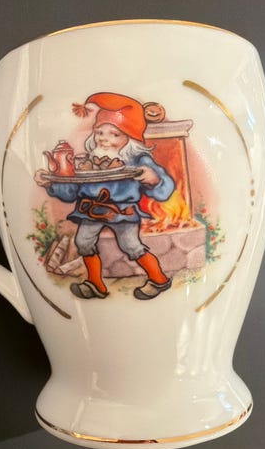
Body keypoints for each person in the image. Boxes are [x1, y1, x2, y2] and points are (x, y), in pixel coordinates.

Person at [34, 92, 175, 300]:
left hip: (122, 212)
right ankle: (95, 284)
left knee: (131, 246)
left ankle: (159, 279)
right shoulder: (87, 161)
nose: (104, 139)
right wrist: (50, 183)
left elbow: (165, 187)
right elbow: (71, 191)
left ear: (129, 138)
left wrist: (153, 179)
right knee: (83, 243)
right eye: (100, 132)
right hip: (90, 211)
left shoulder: (138, 160)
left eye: (114, 134)